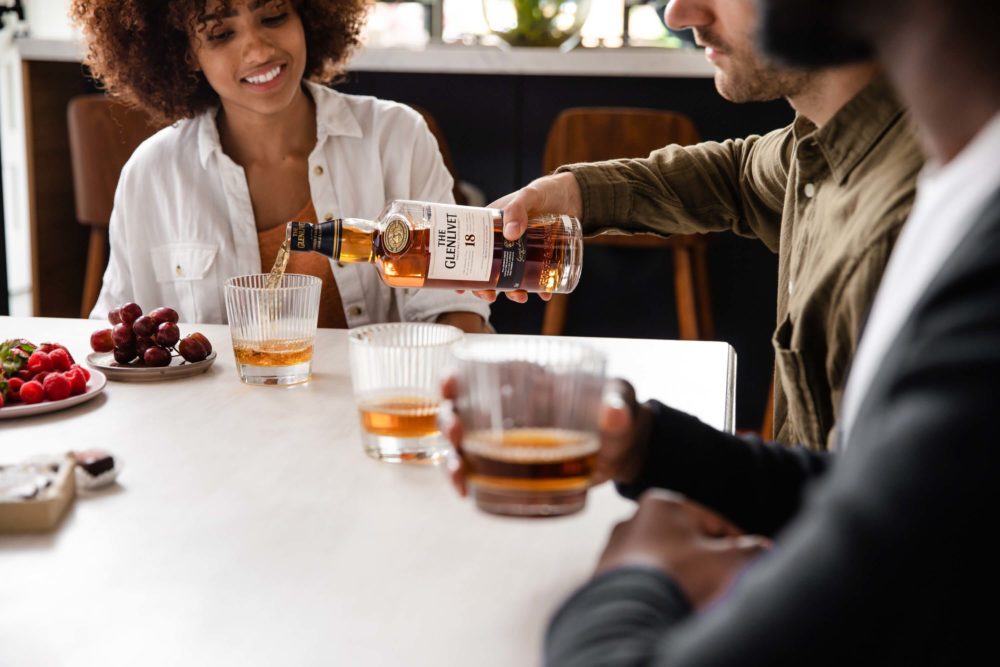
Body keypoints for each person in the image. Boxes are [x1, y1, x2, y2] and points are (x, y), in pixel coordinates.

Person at [452, 0, 1000, 662]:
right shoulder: (857, 150)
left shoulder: (926, 229)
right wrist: (649, 445)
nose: (679, 11)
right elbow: (865, 491)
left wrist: (636, 574)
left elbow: (867, 586)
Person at [486, 0, 924, 449]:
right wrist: (575, 193)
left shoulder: (899, 230)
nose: (678, 15)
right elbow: (734, 176)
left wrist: (652, 448)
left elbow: (856, 506)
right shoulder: (820, 142)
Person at [72, 0, 490, 333]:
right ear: (185, 55)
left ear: (306, 13)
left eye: (273, 16)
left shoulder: (396, 137)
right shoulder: (153, 174)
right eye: (221, 34)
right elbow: (118, 336)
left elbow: (455, 310)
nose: (258, 49)